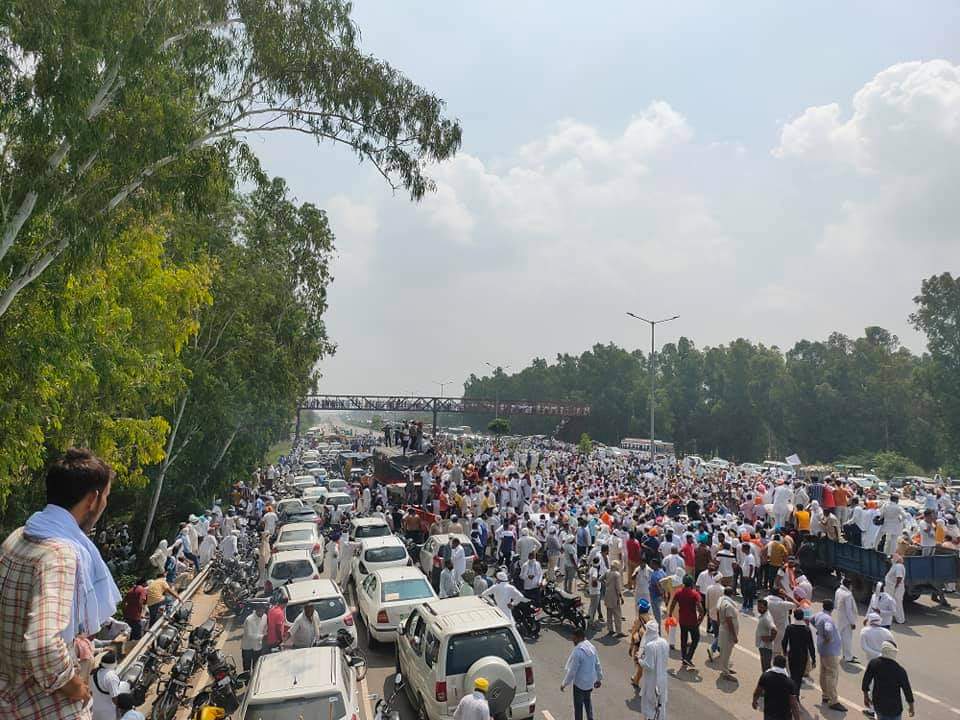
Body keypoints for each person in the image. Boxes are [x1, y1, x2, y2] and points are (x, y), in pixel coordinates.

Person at [0, 448, 120, 719]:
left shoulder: (20, 536)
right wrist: (76, 687)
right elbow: (43, 643)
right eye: (106, 498)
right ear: (93, 499)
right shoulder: (61, 555)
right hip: (44, 706)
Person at [862, 641, 914, 720]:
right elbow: (907, 689)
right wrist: (911, 706)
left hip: (879, 704)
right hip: (895, 708)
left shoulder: (874, 663)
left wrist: (866, 696)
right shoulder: (899, 670)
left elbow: (866, 681)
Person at [560, 629, 602, 720]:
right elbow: (597, 664)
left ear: (579, 638)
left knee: (578, 707)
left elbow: (572, 671)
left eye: (574, 639)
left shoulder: (578, 652)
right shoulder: (592, 647)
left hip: (579, 684)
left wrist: (564, 683)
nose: (573, 641)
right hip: (589, 683)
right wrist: (599, 678)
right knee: (587, 701)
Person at [812, 600, 846, 711]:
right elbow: (828, 630)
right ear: (832, 608)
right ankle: (833, 700)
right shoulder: (828, 619)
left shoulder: (818, 615)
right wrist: (828, 638)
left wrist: (819, 632)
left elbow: (811, 620)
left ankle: (825, 695)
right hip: (830, 651)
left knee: (824, 672)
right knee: (832, 674)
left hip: (823, 649)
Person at [668, 574, 703, 667]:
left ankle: (684, 658)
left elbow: (672, 604)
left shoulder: (679, 592)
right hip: (692, 620)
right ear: (692, 583)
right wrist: (701, 617)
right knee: (695, 639)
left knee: (683, 639)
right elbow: (700, 608)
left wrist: (670, 614)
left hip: (682, 620)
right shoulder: (695, 594)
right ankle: (688, 657)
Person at [752, 655, 801, 720]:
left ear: (773, 663)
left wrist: (754, 701)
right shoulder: (789, 682)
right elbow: (793, 704)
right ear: (784, 666)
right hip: (784, 716)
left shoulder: (765, 676)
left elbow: (758, 691)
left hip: (769, 714)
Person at [781, 608, 815, 700]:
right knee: (799, 677)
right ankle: (796, 695)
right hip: (803, 656)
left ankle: (791, 694)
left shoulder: (790, 627)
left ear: (794, 616)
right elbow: (811, 645)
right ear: (803, 617)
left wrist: (784, 652)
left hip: (792, 655)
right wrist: (813, 659)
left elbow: (784, 641)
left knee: (792, 675)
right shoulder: (806, 629)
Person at [638, 620, 669, 720]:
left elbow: (649, 665)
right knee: (661, 704)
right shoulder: (664, 642)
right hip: (662, 678)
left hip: (652, 680)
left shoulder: (650, 646)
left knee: (650, 705)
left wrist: (640, 660)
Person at [834, 576, 860, 663]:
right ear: (849, 585)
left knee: (843, 637)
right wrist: (852, 622)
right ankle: (848, 657)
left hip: (840, 617)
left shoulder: (838, 591)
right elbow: (849, 610)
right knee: (847, 639)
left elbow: (835, 604)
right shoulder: (848, 595)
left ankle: (845, 654)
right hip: (847, 620)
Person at [716, 586, 740, 680]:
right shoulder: (728, 605)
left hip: (723, 628)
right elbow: (729, 621)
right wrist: (734, 635)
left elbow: (717, 611)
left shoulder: (721, 600)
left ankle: (726, 668)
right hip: (727, 631)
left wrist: (719, 623)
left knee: (725, 651)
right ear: (732, 594)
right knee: (726, 652)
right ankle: (725, 672)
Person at [90, 651, 122, 720]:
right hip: (108, 714)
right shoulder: (111, 676)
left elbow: (91, 693)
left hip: (95, 711)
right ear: (114, 663)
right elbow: (115, 698)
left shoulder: (93, 674)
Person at [755, 598, 778, 672]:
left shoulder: (766, 618)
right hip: (763, 646)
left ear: (766, 607)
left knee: (766, 667)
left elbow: (774, 630)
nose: (759, 609)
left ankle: (767, 681)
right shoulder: (764, 615)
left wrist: (770, 638)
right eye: (758, 607)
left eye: (761, 607)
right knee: (765, 665)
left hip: (765, 647)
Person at [241, 606, 267, 671]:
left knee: (256, 666)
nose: (262, 613)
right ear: (256, 610)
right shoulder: (249, 620)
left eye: (263, 611)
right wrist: (262, 637)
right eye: (260, 611)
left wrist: (265, 634)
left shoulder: (265, 616)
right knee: (247, 667)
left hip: (258, 646)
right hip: (248, 647)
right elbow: (249, 635)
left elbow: (265, 627)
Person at [603, 561, 625, 637]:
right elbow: (618, 588)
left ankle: (610, 629)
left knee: (609, 613)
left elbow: (600, 579)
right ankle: (619, 631)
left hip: (607, 594)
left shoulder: (607, 572)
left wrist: (606, 584)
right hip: (614, 596)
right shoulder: (616, 574)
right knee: (617, 614)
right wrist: (621, 597)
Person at [884, 555, 906, 625]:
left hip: (895, 588)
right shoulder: (895, 565)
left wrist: (896, 587)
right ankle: (892, 618)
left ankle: (900, 619)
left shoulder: (898, 566)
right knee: (891, 602)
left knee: (897, 603)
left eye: (891, 559)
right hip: (891, 587)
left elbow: (899, 577)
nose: (890, 560)